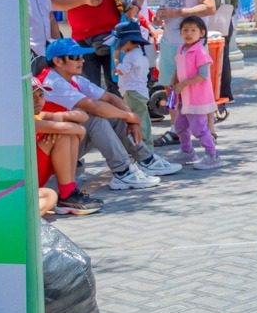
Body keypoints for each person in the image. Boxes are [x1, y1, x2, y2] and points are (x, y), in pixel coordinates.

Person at [39, 37, 180, 189]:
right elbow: (94, 106)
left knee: (115, 114)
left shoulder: (73, 79)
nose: (82, 60)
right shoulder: (51, 81)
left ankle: (146, 160)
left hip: (66, 144)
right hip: (49, 151)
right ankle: (123, 172)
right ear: (58, 61)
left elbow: (109, 97)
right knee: (95, 118)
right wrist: (130, 116)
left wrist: (130, 119)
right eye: (75, 57)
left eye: (82, 56)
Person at [149, 0, 216, 145]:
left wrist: (179, 13)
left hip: (192, 45)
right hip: (169, 43)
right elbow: (166, 7)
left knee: (201, 87)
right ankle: (176, 129)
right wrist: (159, 17)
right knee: (170, 87)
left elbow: (210, 6)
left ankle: (209, 130)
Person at [49, 0, 130, 93]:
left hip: (112, 38)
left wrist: (135, 5)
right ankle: (95, 116)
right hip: (82, 40)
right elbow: (53, 3)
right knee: (88, 86)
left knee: (115, 83)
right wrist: (83, 0)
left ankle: (117, 116)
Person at [32, 78, 99, 216]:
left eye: (40, 95)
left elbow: (83, 116)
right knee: (63, 135)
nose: (37, 100)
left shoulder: (39, 115)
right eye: (31, 96)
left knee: (68, 135)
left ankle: (68, 191)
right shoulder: (25, 120)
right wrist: (72, 129)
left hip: (36, 177)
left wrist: (59, 116)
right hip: (28, 178)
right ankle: (66, 195)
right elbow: (73, 129)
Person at [171, 15, 221, 169]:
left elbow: (203, 75)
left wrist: (183, 84)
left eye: (193, 30)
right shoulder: (181, 49)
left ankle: (212, 155)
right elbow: (178, 67)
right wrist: (174, 80)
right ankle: (187, 151)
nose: (188, 33)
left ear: (202, 33)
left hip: (197, 99)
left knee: (199, 128)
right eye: (185, 30)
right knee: (180, 125)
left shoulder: (200, 51)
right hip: (184, 98)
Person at [197, 0, 237, 102]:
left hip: (219, 27)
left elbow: (215, 4)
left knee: (221, 60)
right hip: (225, 25)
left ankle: (223, 92)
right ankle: (224, 92)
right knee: (222, 59)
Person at [108, 19, 153, 146]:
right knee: (142, 119)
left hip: (132, 92)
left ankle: (144, 147)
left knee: (137, 120)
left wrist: (116, 60)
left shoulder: (131, 56)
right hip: (139, 91)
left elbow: (121, 70)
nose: (118, 47)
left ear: (127, 42)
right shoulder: (139, 53)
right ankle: (143, 146)